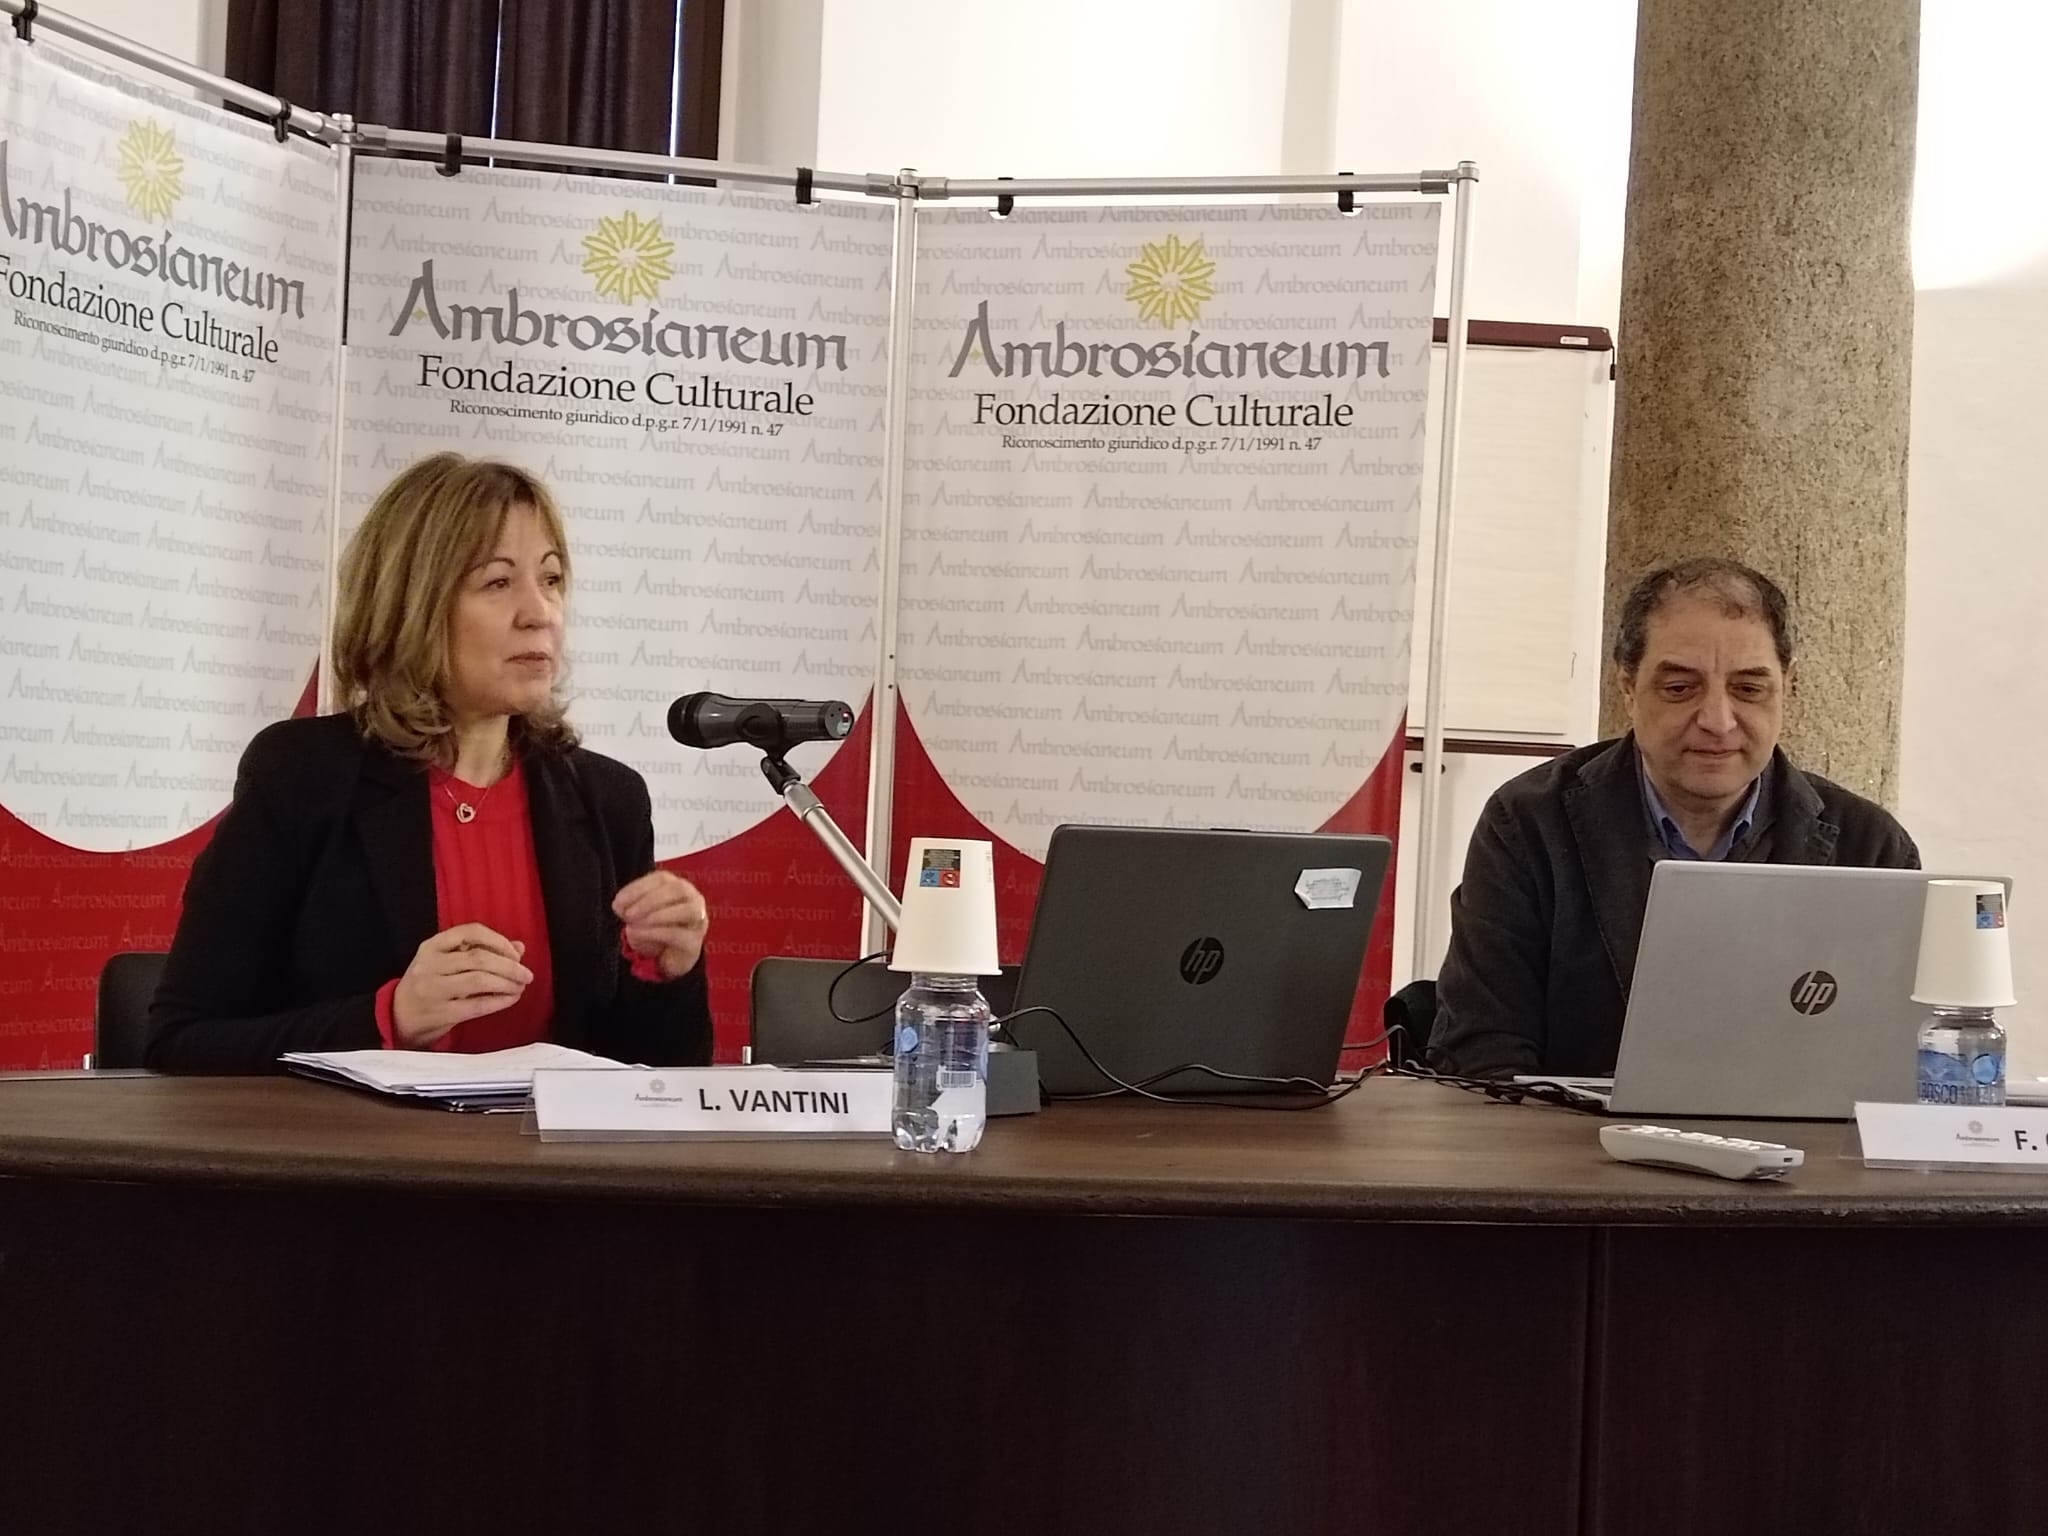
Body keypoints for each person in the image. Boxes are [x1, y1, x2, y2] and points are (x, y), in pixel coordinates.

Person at [146, 454, 713, 1070]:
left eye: (551, 580)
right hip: (353, 1136)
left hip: (545, 1140)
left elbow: (648, 1076)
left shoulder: (607, 798)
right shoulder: (302, 776)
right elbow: (181, 1043)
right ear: (411, 605)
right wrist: (388, 1018)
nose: (540, 613)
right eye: (498, 583)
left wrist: (667, 974)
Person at [1426, 557, 1919, 1080]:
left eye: (1749, 689)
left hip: (1799, 1133)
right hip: (1570, 1131)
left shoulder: (1870, 848)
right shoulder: (1527, 825)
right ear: (1627, 687)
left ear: (1787, 688)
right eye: (1681, 688)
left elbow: (1897, 1060)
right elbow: (1481, 1052)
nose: (1717, 721)